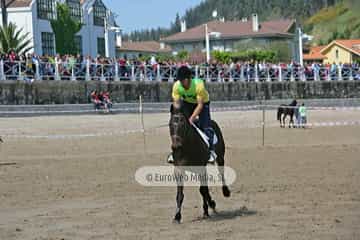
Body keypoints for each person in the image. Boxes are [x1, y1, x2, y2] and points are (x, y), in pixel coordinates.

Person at [168, 66, 216, 164]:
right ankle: (176, 152)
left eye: (183, 80)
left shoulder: (199, 85)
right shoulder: (177, 86)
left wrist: (192, 117)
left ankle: (211, 151)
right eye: (180, 80)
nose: (181, 82)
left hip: (203, 104)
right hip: (187, 103)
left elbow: (200, 105)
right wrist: (177, 115)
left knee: (206, 126)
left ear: (189, 79)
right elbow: (176, 103)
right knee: (179, 126)